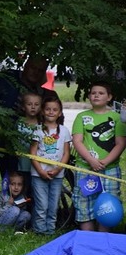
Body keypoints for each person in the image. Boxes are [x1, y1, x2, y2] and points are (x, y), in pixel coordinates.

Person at [0, 56, 49, 223]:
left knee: (15, 179)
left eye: (40, 70)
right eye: (33, 67)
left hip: (15, 142)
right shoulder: (5, 78)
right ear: (26, 65)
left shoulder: (41, 92)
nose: (35, 72)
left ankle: (11, 217)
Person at [72, 81, 126, 232]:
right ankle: (87, 238)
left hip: (110, 170)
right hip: (85, 169)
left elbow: (121, 143)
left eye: (101, 93)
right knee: (84, 204)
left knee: (107, 205)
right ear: (89, 96)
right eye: (93, 93)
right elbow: (77, 141)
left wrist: (104, 162)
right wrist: (91, 161)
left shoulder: (116, 118)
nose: (96, 95)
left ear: (109, 97)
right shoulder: (81, 117)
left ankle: (103, 239)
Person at [30, 96, 71, 235]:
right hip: (38, 175)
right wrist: (41, 171)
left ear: (60, 113)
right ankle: (39, 232)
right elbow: (33, 154)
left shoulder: (64, 131)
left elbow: (66, 153)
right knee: (42, 205)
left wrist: (58, 169)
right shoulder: (38, 130)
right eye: (48, 109)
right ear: (42, 111)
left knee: (53, 206)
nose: (51, 112)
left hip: (57, 175)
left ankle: (50, 231)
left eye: (55, 110)